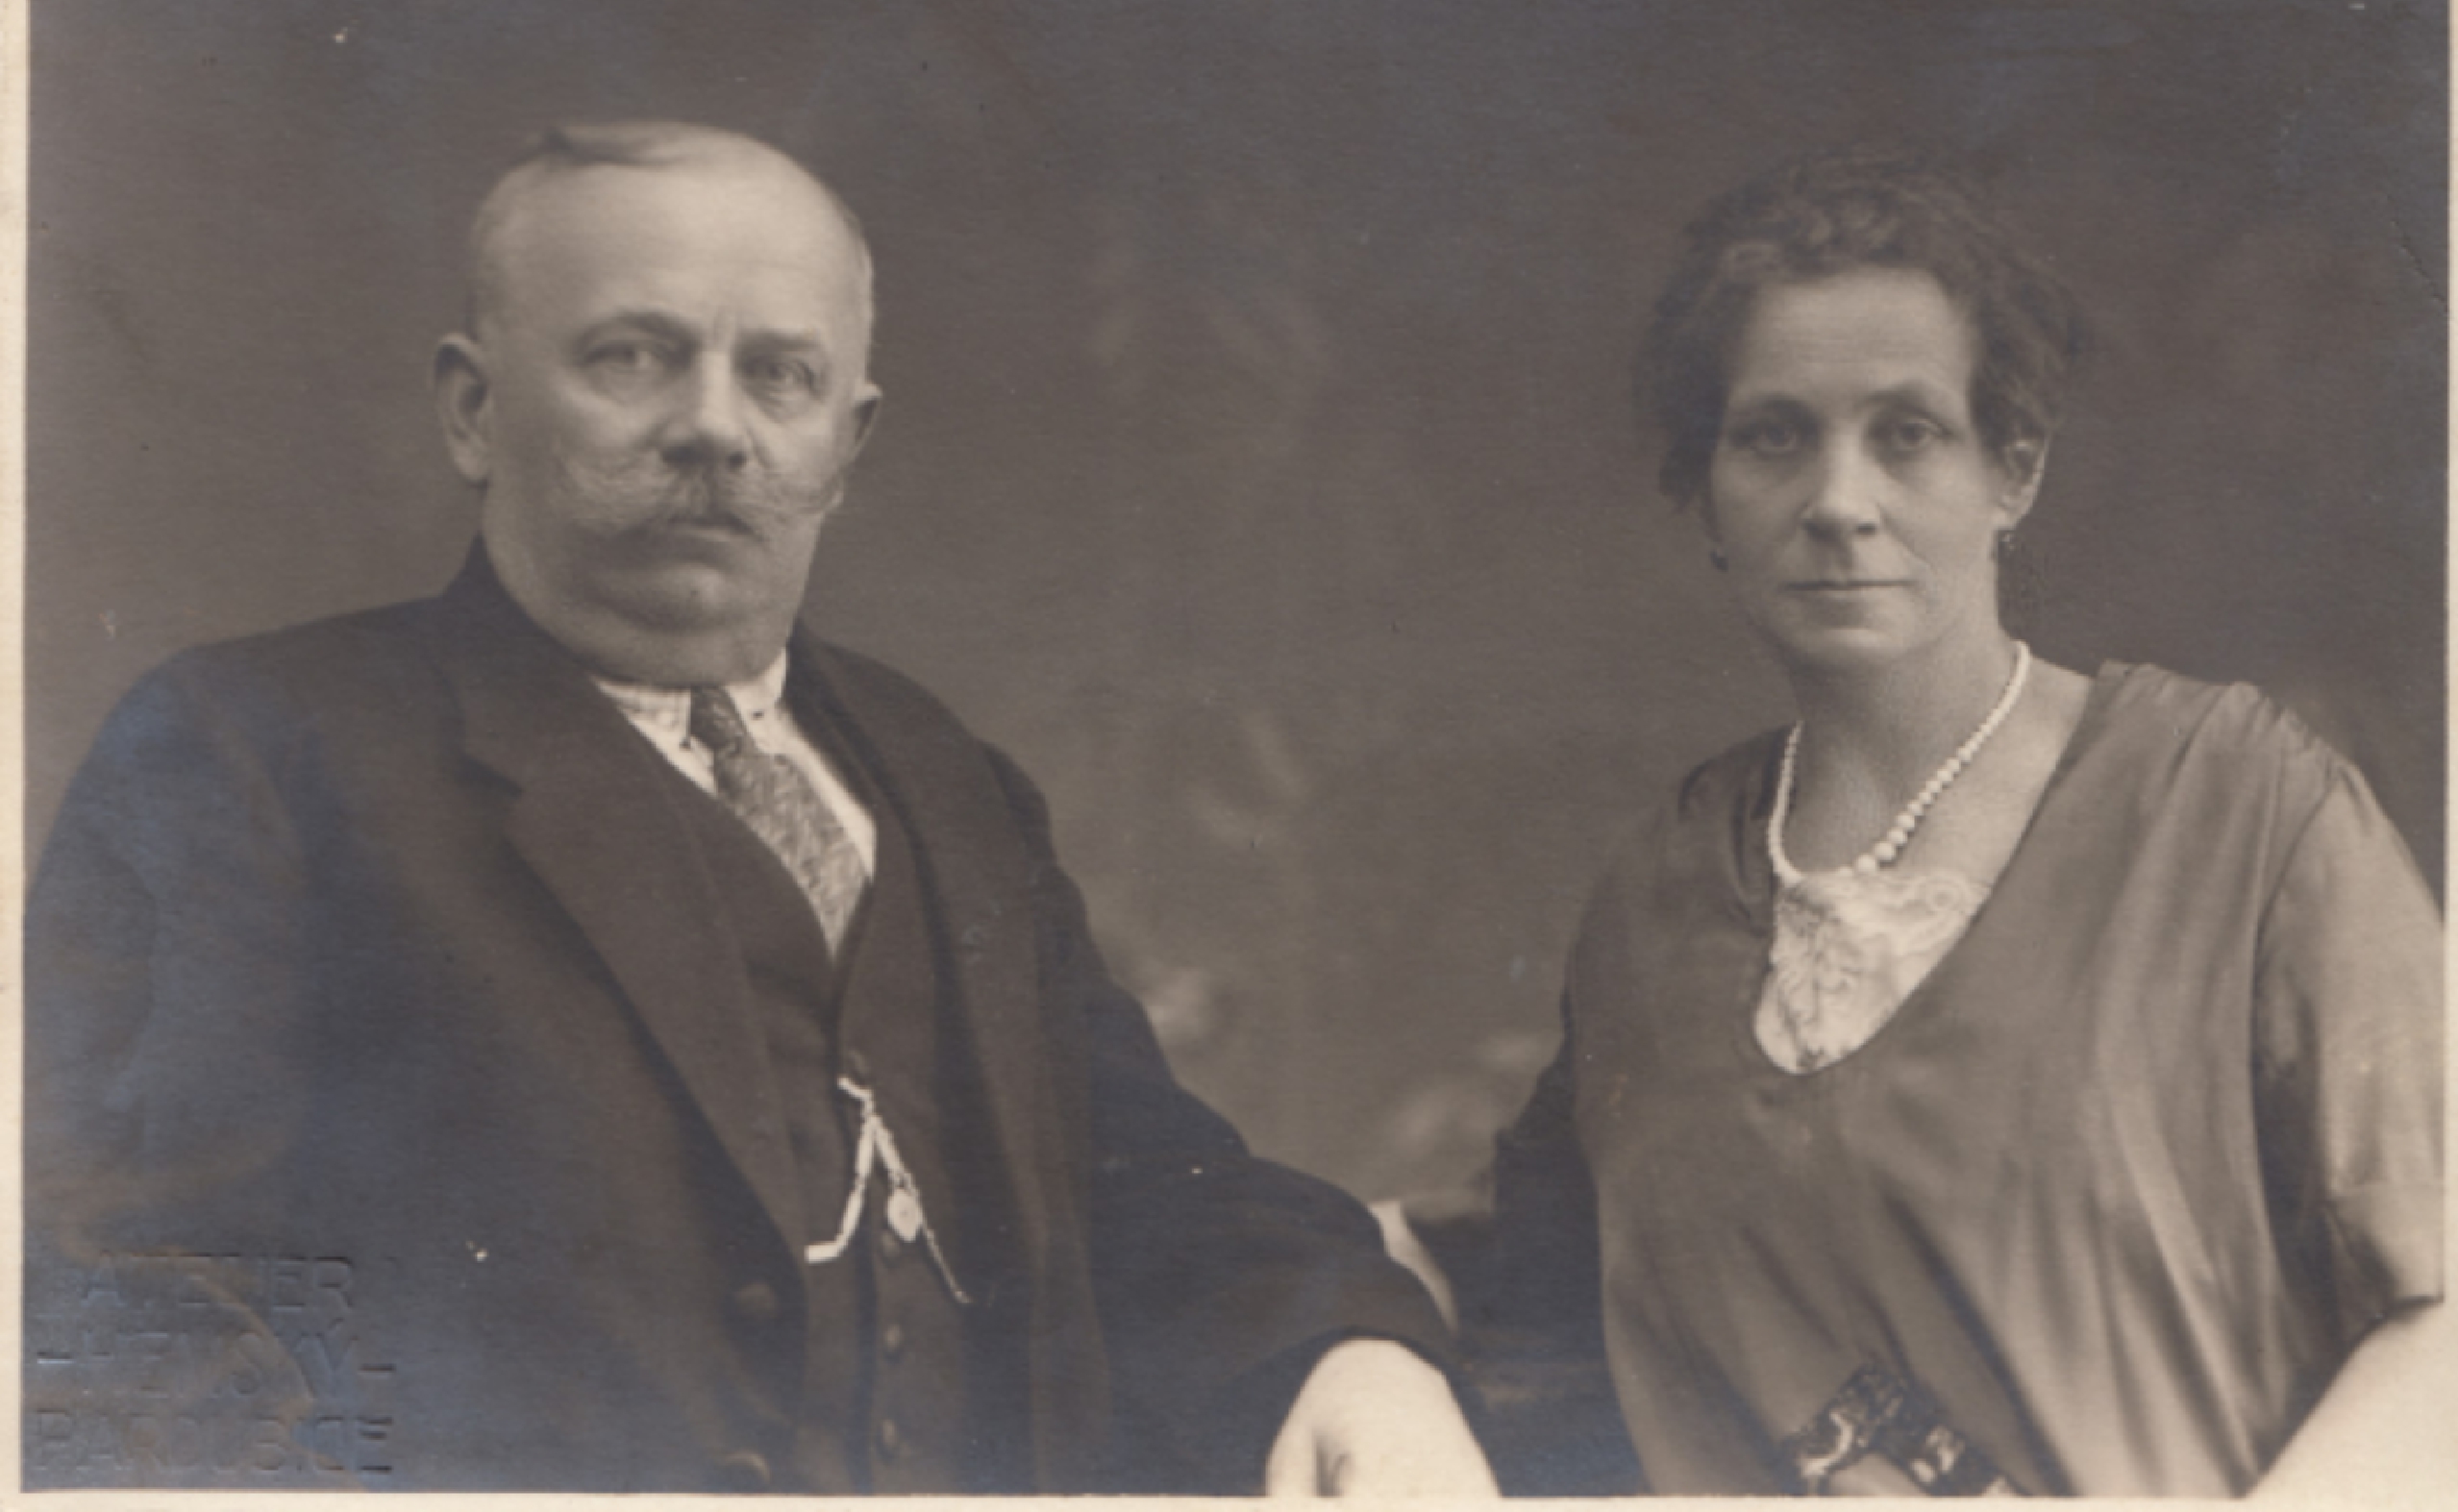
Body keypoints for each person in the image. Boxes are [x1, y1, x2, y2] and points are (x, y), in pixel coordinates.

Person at [23, 120, 1498, 1497]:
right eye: (633, 356)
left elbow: (1142, 1177)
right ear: (474, 409)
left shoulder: (941, 777)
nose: (714, 429)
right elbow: (138, 1320)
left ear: (847, 445)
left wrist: (1353, 1349)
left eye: (780, 376)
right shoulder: (250, 756)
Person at [1452, 148, 2443, 1496]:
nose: (1838, 503)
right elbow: (1526, 1311)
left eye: (1907, 434)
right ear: (1705, 492)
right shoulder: (1657, 898)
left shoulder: (2241, 811)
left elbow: (2442, 1319)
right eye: (1774, 436)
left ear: (2012, 471)